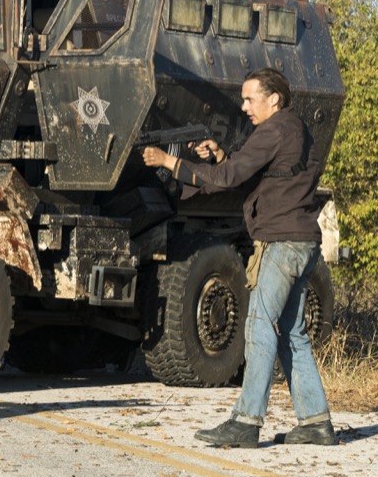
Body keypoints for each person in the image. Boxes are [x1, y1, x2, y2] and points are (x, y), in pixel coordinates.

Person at [142, 68, 335, 448]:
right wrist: (220, 154)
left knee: (260, 325)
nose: (244, 107)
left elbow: (227, 179)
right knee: (292, 333)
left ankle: (246, 421)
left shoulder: (275, 129)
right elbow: (258, 176)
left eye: (250, 99)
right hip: (302, 242)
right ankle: (315, 422)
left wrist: (169, 162)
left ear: (274, 99)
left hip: (281, 244)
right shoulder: (296, 130)